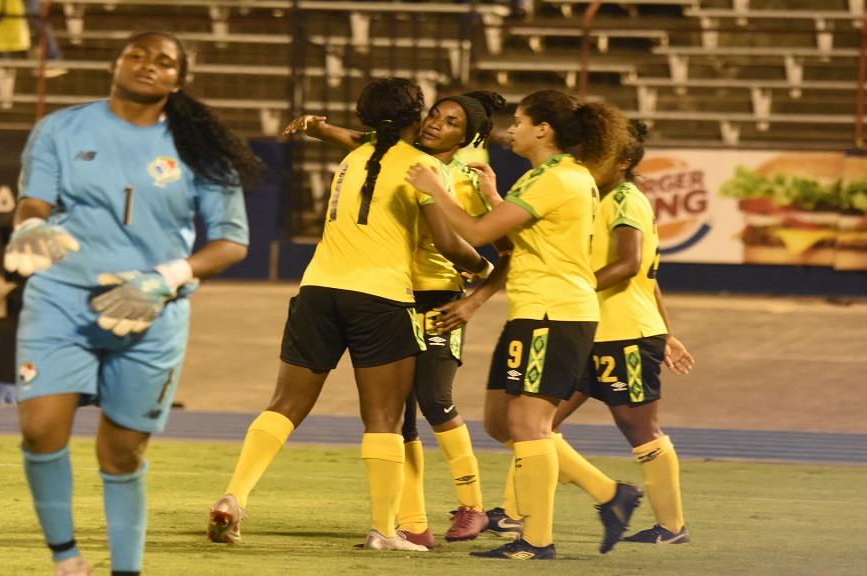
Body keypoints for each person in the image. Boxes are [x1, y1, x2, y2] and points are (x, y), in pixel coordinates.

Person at [4, 32, 262, 576]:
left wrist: (166, 277)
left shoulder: (203, 148)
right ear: (114, 63)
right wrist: (29, 225)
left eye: (164, 61)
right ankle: (67, 560)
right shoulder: (60, 128)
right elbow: (34, 199)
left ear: (180, 79)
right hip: (61, 301)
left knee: (122, 454)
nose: (148, 66)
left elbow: (231, 241)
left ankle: (127, 570)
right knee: (39, 429)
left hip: (150, 311)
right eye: (137, 55)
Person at [207, 77, 493, 552]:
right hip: (380, 298)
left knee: (284, 406)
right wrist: (485, 269)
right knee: (384, 418)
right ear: (414, 119)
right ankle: (385, 530)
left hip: (317, 289)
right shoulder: (424, 166)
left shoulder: (352, 159)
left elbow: (359, 141)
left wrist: (319, 128)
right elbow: (445, 241)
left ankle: (234, 497)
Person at [406, 89, 633, 560]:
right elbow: (520, 233)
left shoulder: (559, 178)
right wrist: (492, 196)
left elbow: (477, 235)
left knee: (529, 425)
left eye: (520, 121)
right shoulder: (548, 177)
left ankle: (536, 539)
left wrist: (434, 190)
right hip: (531, 313)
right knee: (500, 423)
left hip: (554, 314)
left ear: (543, 130)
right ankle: (610, 494)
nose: (510, 129)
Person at [282, 90, 512, 548]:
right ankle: (414, 524)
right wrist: (318, 126)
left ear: (468, 138)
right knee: (397, 417)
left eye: (450, 123)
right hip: (394, 297)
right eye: (434, 115)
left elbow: (508, 253)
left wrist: (475, 299)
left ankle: (473, 506)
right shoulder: (399, 155)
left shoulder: (466, 179)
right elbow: (358, 139)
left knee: (434, 398)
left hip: (442, 299)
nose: (435, 124)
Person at [550, 119, 695, 546]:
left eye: (598, 156)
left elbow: (633, 267)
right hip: (590, 331)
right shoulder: (598, 198)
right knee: (533, 426)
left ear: (624, 162)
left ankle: (671, 528)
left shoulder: (627, 200)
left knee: (640, 430)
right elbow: (651, 280)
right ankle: (521, 512)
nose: (587, 163)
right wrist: (668, 333)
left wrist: (573, 286)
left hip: (625, 334)